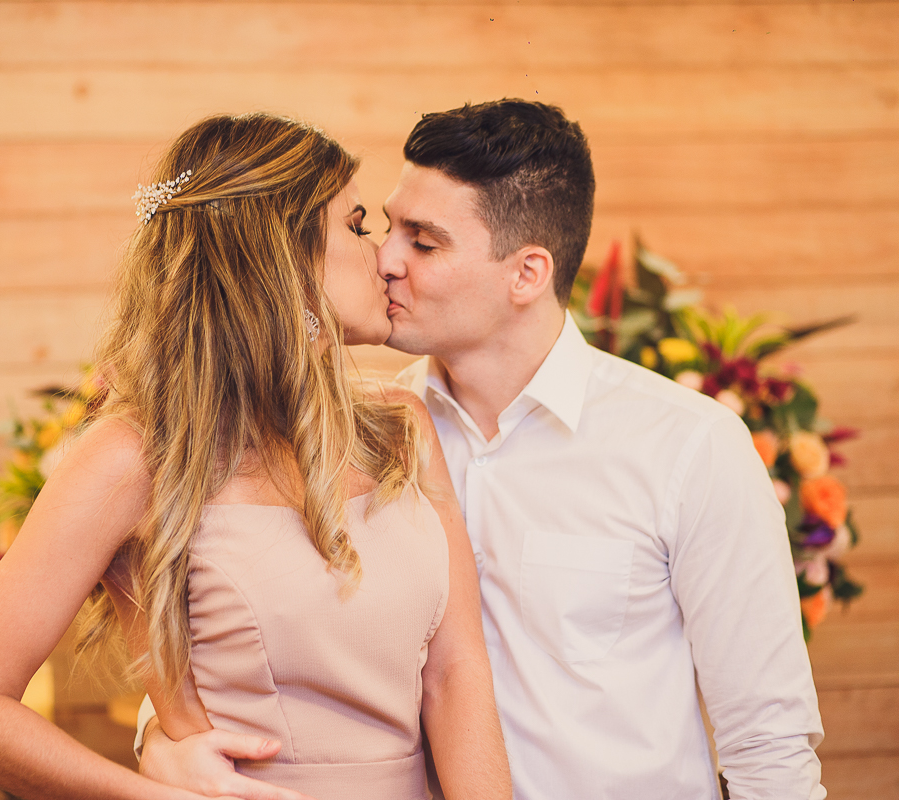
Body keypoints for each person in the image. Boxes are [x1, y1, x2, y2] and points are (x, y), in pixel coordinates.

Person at [137, 101, 826, 800]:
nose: (386, 260)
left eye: (424, 243)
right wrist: (164, 735)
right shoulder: (366, 439)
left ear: (526, 274)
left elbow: (769, 743)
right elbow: (262, 626)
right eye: (385, 227)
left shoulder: (689, 447)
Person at [0, 112, 511, 800]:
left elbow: (455, 671)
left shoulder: (400, 426)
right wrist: (156, 794)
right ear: (280, 255)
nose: (384, 257)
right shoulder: (132, 458)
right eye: (355, 226)